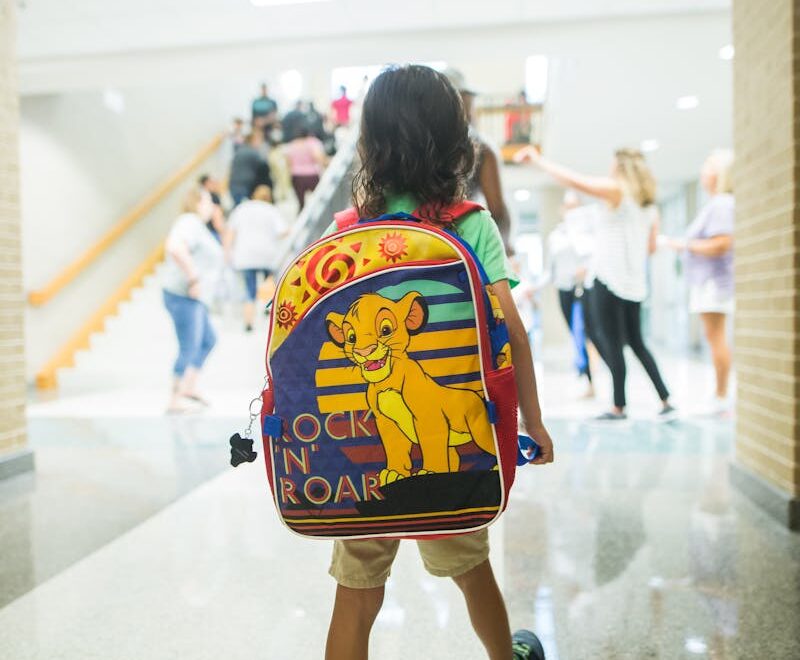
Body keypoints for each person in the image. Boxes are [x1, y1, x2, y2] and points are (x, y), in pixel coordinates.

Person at [321, 64, 553, 660]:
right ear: (457, 142)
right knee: (473, 572)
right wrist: (533, 420)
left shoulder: (346, 231)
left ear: (369, 144)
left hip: (360, 459)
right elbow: (514, 334)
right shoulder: (471, 226)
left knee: (355, 596)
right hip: (452, 455)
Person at [516, 146, 674, 421]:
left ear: (622, 168)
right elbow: (650, 248)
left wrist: (539, 161)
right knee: (637, 343)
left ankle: (618, 407)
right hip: (635, 284)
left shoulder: (617, 192)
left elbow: (576, 182)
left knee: (609, 343)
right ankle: (665, 399)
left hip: (608, 280)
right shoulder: (649, 209)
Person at [662, 150, 735, 412]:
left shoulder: (722, 204)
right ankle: (719, 394)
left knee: (716, 337)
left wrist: (685, 245)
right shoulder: (718, 203)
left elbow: (722, 243)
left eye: (708, 167)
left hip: (714, 282)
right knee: (714, 336)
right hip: (709, 282)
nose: (703, 173)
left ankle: (721, 395)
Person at [161, 188, 224, 412]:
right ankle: (174, 399)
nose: (212, 206)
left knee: (208, 340)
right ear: (197, 202)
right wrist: (193, 278)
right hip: (183, 296)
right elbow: (174, 247)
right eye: (208, 201)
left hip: (195, 299)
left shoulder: (199, 227)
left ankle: (188, 387)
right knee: (189, 346)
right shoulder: (188, 221)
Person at [444, 68, 514, 254]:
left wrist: (500, 251)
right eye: (466, 99)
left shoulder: (482, 148)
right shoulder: (480, 147)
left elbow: (498, 211)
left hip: (464, 243)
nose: (470, 107)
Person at [547, 192, 594, 397]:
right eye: (568, 206)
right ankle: (585, 377)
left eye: (575, 206)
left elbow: (594, 259)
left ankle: (589, 380)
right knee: (575, 334)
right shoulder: (556, 235)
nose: (571, 211)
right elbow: (550, 270)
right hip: (563, 288)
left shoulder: (587, 234)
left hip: (583, 288)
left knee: (582, 332)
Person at [224, 185, 289, 332]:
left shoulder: (242, 208)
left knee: (250, 290)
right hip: (267, 255)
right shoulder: (271, 210)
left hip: (245, 256)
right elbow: (284, 231)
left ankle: (248, 322)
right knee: (271, 285)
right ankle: (271, 314)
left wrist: (227, 251)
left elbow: (230, 231)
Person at [285, 122, 326, 212]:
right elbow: (318, 158)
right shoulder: (312, 143)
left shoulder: (292, 145)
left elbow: (288, 162)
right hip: (311, 175)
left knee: (301, 203)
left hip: (296, 175)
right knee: (317, 200)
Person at [229, 131, 273, 206]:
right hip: (243, 186)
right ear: (253, 140)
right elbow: (265, 164)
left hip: (235, 185)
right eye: (259, 141)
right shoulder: (252, 152)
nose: (260, 144)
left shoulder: (240, 150)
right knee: (243, 207)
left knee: (239, 207)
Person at [198, 174, 225, 240]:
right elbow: (217, 217)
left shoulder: (204, 196)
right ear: (206, 184)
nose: (214, 184)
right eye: (211, 182)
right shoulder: (209, 197)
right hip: (212, 230)